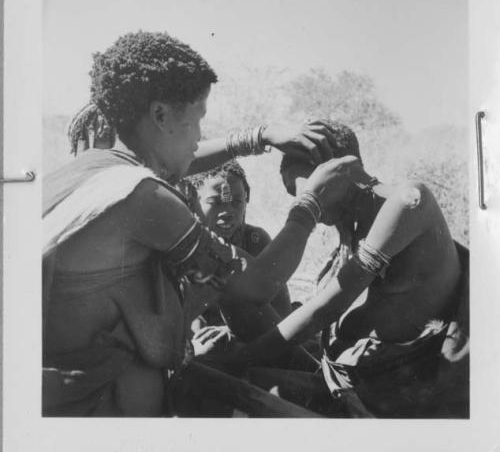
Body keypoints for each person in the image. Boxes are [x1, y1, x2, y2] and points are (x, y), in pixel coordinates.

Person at [42, 30, 346, 417]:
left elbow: (172, 158)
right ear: (160, 115)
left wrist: (260, 137)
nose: (200, 135)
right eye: (199, 118)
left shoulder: (87, 171)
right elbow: (255, 286)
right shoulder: (142, 196)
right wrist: (311, 204)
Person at [232, 120, 469, 418]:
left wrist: (238, 358)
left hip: (400, 400)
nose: (306, 199)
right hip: (354, 384)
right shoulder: (349, 231)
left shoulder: (408, 200)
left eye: (309, 188)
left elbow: (325, 309)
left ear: (340, 170)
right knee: (221, 381)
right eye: (297, 192)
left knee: (232, 383)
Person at [188, 160, 292, 319]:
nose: (227, 212)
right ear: (193, 202)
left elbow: (282, 312)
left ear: (247, 199)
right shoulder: (183, 245)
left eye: (237, 202)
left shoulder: (255, 241)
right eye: (215, 203)